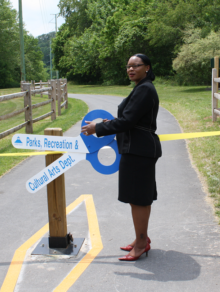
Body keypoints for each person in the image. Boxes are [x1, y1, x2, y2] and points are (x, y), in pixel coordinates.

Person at [81, 53, 162, 261]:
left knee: (138, 199)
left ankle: (142, 243)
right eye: (128, 66)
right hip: (136, 149)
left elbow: (127, 122)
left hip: (139, 151)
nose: (131, 69)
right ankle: (141, 238)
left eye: (136, 65)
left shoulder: (145, 89)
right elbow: (130, 119)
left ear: (147, 68)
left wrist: (97, 127)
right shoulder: (141, 88)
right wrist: (111, 122)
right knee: (139, 199)